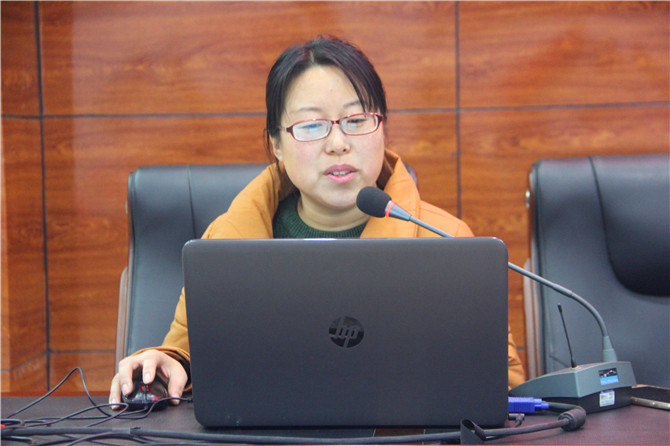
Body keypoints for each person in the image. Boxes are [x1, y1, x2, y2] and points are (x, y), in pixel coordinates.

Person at [109, 35, 525, 408]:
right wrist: (163, 364)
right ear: (276, 144)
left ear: (383, 129)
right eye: (312, 125)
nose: (338, 144)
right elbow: (184, 356)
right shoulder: (226, 241)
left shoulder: (446, 241)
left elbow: (501, 388)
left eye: (356, 121)